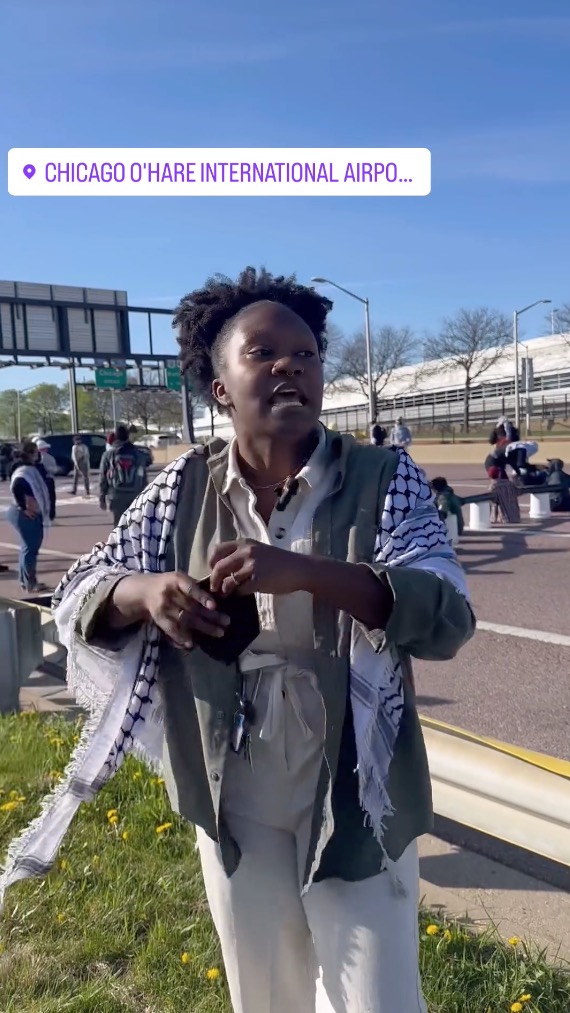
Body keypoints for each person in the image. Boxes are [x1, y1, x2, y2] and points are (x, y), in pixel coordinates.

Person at [0, 267, 475, 1012]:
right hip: (232, 782)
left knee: (379, 997)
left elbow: (446, 611)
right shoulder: (181, 485)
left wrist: (309, 572)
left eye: (307, 354)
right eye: (263, 353)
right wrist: (147, 592)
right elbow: (84, 589)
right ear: (218, 386)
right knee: (266, 992)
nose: (291, 364)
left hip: (354, 783)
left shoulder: (385, 477)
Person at [7, 441, 50, 592]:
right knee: (30, 548)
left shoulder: (31, 468)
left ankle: (25, 580)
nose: (38, 454)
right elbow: (17, 486)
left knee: (28, 548)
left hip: (26, 512)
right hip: (23, 514)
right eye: (35, 452)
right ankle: (30, 582)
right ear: (30, 453)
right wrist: (23, 507)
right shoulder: (24, 470)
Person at [99, 424, 148, 526]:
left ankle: (119, 541)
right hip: (135, 493)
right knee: (135, 525)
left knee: (118, 525)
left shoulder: (108, 454)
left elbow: (103, 476)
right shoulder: (138, 453)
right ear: (127, 436)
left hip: (116, 494)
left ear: (115, 437)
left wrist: (102, 496)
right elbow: (143, 475)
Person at [36, 439, 58, 521]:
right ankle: (50, 515)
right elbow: (55, 470)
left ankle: (41, 514)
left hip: (38, 481)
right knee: (51, 498)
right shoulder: (49, 458)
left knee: (41, 498)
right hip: (48, 480)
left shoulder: (35, 460)